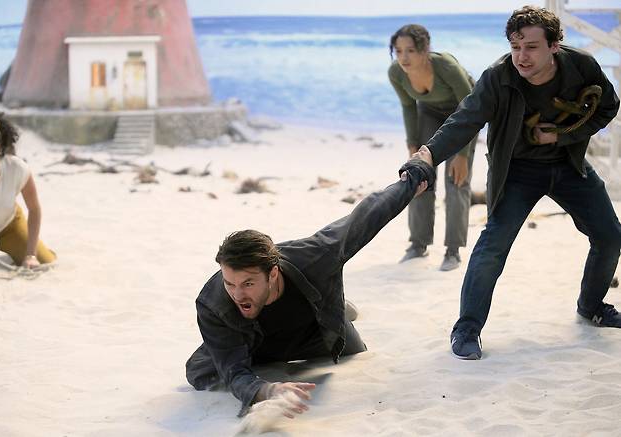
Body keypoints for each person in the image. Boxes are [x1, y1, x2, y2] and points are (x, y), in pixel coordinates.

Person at [409, 6, 621, 360]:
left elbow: (607, 107)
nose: (521, 56)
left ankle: (592, 306)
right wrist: (428, 155)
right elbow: (464, 120)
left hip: (569, 165)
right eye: (515, 46)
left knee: (610, 236)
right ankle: (467, 329)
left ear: (554, 46)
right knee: (492, 246)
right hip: (517, 171)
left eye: (532, 47)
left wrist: (562, 136)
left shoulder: (581, 66)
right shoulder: (498, 77)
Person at [186, 151, 435, 417]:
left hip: (313, 331)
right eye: (230, 283)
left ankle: (340, 308)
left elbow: (366, 216)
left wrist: (415, 175)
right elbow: (234, 371)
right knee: (199, 372)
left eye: (248, 283)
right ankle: (338, 307)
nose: (237, 294)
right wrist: (266, 391)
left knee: (354, 352)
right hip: (256, 345)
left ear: (273, 273)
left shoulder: (315, 256)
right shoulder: (213, 304)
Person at [388, 24, 479, 271]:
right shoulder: (396, 72)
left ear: (425, 49)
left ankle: (453, 250)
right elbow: (409, 107)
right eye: (398, 51)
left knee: (456, 181)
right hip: (428, 113)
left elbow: (472, 108)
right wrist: (412, 144)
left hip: (462, 115)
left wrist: (462, 155)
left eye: (410, 50)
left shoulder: (446, 66)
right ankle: (418, 244)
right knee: (418, 177)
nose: (404, 58)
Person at [0, 112, 56, 268]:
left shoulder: (17, 168)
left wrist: (31, 255)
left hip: (10, 228)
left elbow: (34, 209)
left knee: (45, 262)